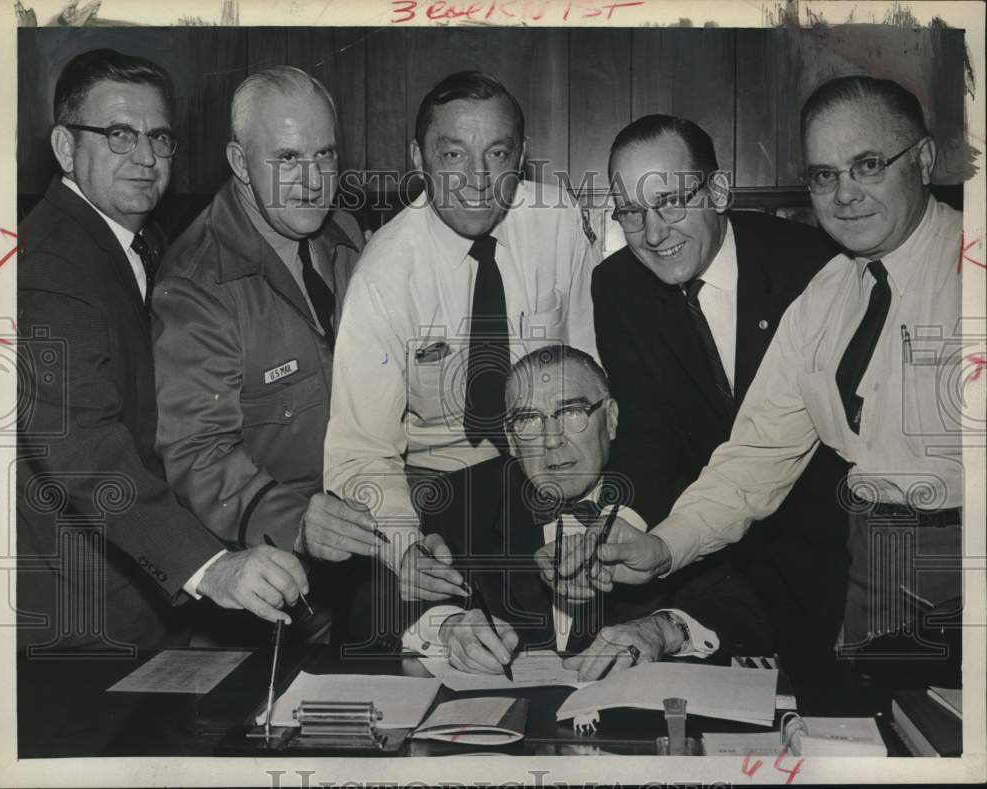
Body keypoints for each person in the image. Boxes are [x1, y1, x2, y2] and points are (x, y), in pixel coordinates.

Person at [556, 76, 964, 652]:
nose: (844, 195)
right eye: (824, 175)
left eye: (868, 166)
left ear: (922, 160)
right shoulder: (829, 294)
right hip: (874, 567)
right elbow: (759, 453)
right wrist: (664, 546)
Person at [17, 49, 307, 654]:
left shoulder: (136, 239)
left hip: (131, 595)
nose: (146, 158)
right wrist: (209, 567)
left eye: (160, 138)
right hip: (77, 620)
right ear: (66, 148)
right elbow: (84, 450)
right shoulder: (49, 266)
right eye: (119, 135)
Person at [324, 71, 600, 602]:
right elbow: (361, 449)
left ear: (522, 156)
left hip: (552, 470)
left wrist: (584, 513)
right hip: (439, 488)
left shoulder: (559, 222)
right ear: (418, 158)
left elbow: (594, 375)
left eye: (497, 154)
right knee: (435, 623)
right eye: (453, 155)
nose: (477, 179)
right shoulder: (383, 273)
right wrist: (406, 547)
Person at [590, 115, 849, 671]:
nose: (653, 233)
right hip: (703, 563)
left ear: (719, 190)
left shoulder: (815, 267)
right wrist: (617, 532)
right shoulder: (617, 287)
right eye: (631, 212)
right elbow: (645, 436)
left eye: (670, 203)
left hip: (834, 552)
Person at [152, 66, 386, 643]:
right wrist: (296, 521)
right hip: (262, 591)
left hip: (366, 559)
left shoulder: (346, 235)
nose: (312, 180)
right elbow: (196, 452)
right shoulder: (197, 281)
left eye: (325, 155)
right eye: (287, 158)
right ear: (239, 162)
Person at [402, 346, 773, 681]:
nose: (552, 439)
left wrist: (661, 630)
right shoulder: (463, 498)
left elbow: (747, 613)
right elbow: (385, 602)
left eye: (572, 412)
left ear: (610, 419)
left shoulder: (677, 500)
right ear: (511, 439)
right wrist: (446, 626)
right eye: (529, 419)